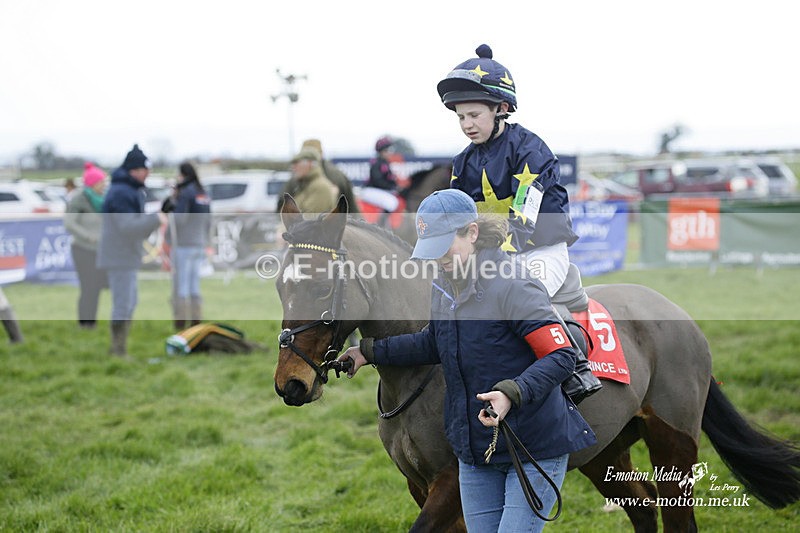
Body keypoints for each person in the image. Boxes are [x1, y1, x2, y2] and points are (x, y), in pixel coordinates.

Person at [338, 189, 596, 532]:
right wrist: (367, 353)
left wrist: (511, 393)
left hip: (533, 447)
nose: (440, 259)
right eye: (433, 251)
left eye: (446, 248)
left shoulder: (513, 284)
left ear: (472, 233)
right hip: (476, 451)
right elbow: (434, 342)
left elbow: (562, 355)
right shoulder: (444, 286)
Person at [437, 44, 578, 298]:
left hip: (540, 252)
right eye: (461, 117)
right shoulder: (462, 162)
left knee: (514, 300)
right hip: (489, 256)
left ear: (501, 109)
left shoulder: (531, 152)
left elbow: (522, 224)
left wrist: (484, 262)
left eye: (474, 115)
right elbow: (457, 224)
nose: (467, 125)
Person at [97, 144, 166, 357]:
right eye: (146, 170)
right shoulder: (121, 192)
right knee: (123, 305)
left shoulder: (127, 189)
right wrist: (155, 219)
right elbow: (127, 227)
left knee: (129, 302)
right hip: (120, 257)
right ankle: (117, 351)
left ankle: (119, 349)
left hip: (124, 255)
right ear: (135, 170)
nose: (149, 174)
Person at [162, 161, 211, 330]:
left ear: (183, 175)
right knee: (194, 286)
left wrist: (171, 207)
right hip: (199, 243)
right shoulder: (202, 192)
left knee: (181, 286)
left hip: (183, 244)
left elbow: (179, 219)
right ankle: (196, 323)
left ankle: (181, 325)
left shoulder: (186, 192)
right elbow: (208, 220)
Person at [64, 162, 108, 328]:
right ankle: (84, 322)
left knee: (95, 288)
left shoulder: (102, 200)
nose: (104, 185)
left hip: (98, 250)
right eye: (102, 182)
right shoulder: (78, 199)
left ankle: (92, 322)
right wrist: (87, 236)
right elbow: (69, 222)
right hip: (82, 250)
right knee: (88, 288)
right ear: (93, 183)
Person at [286, 147, 339, 214]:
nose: (293, 167)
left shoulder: (320, 187)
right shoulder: (307, 185)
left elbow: (309, 220)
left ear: (311, 164)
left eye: (297, 163)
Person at [360, 136, 400, 223]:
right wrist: (392, 187)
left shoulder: (385, 163)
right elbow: (378, 182)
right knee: (392, 203)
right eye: (387, 150)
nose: (389, 152)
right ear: (381, 151)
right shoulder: (376, 163)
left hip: (377, 190)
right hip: (370, 190)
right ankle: (380, 226)